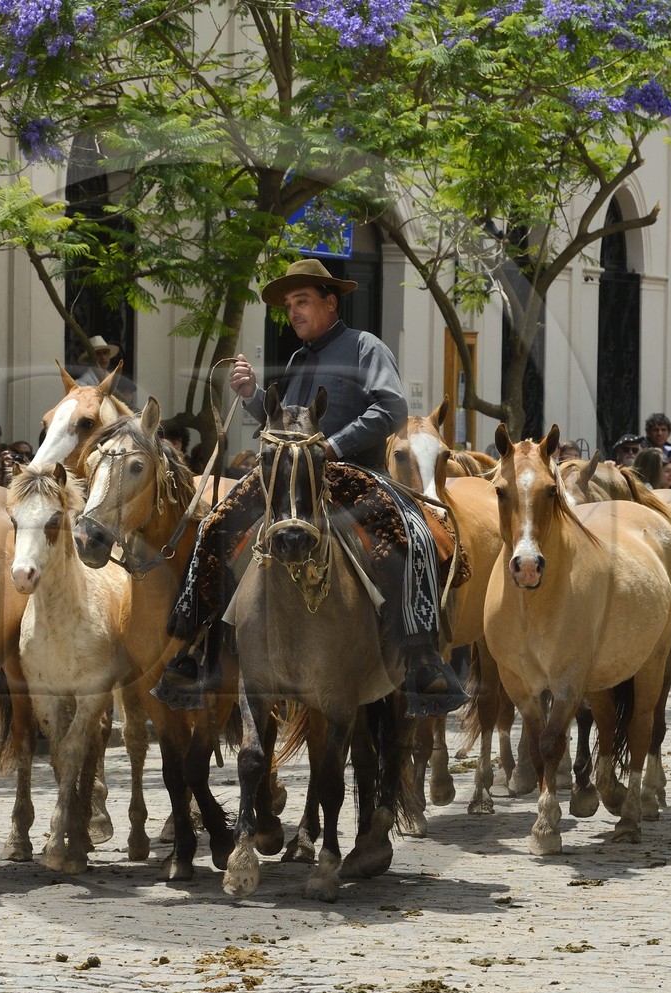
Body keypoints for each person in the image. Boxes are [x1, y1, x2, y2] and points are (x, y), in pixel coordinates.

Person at [157, 258, 465, 717]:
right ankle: (197, 650)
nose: (294, 312)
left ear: (330, 302)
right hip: (293, 476)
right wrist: (251, 397)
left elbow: (392, 408)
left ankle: (421, 657)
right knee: (213, 526)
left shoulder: (366, 348)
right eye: (288, 305)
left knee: (415, 535)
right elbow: (286, 423)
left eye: (302, 302)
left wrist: (333, 446)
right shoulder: (299, 359)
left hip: (354, 475)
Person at [74, 334, 137, 402]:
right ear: (89, 358)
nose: (103, 357)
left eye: (105, 353)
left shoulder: (113, 379)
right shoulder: (81, 383)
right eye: (98, 354)